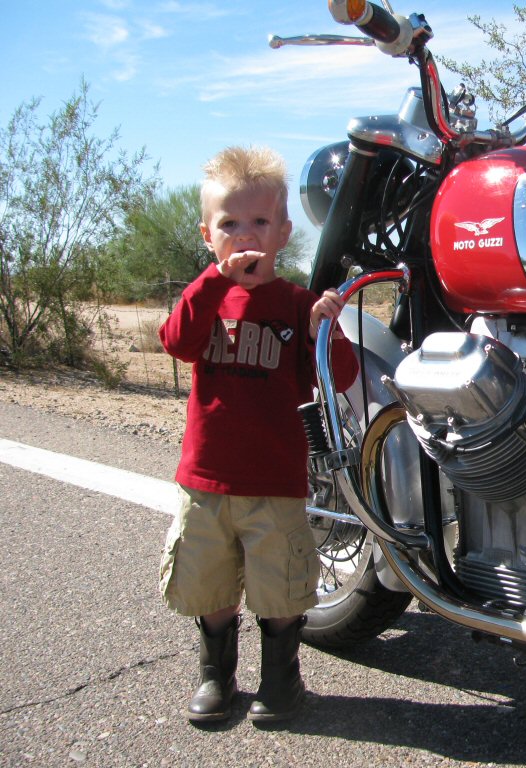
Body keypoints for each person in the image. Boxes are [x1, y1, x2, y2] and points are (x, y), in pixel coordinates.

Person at [158, 145, 358, 724]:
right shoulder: (206, 300)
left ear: (283, 232)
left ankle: (280, 683)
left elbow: (337, 379)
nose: (245, 235)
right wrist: (210, 284)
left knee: (280, 590)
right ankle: (216, 677)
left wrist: (329, 329)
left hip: (275, 482)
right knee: (211, 587)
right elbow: (174, 342)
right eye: (230, 224)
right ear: (208, 234)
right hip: (206, 481)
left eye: (259, 222)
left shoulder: (295, 305)